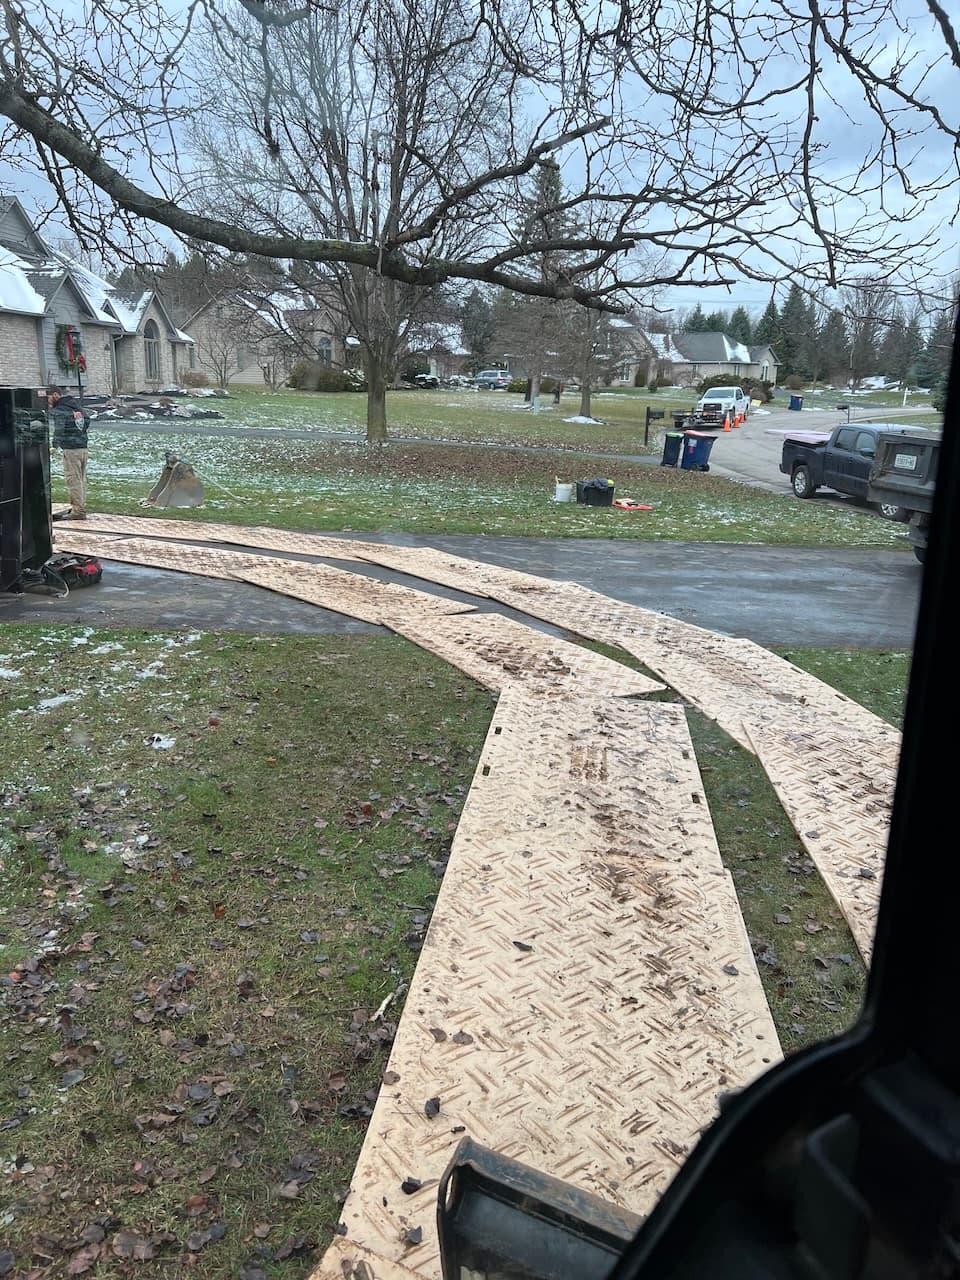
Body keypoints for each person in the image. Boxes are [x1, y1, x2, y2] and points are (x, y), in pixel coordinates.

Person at [46, 385, 90, 520]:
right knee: (81, 479)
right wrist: (79, 433)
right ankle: (78, 506)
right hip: (82, 448)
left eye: (47, 398)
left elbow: (59, 429)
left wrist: (54, 446)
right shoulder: (74, 406)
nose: (47, 402)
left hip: (71, 450)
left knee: (73, 480)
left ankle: (78, 512)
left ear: (55, 395)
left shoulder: (61, 409)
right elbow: (87, 420)